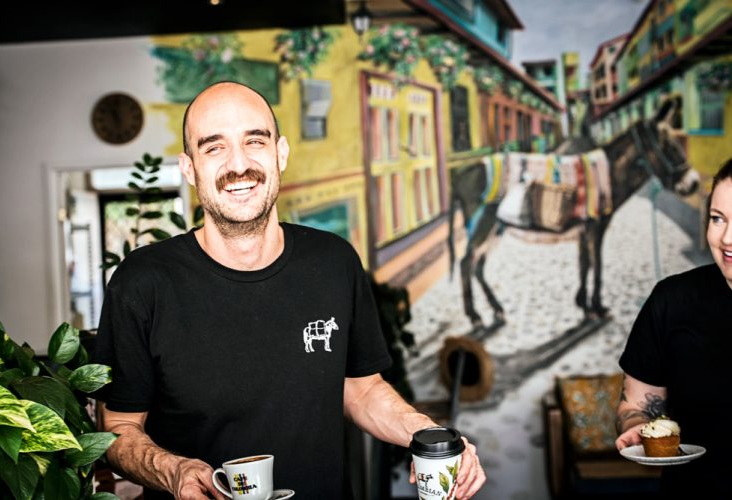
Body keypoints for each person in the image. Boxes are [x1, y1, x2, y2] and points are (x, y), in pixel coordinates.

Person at [94, 81, 486, 499]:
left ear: (280, 153)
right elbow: (117, 427)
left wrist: (428, 434)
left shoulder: (334, 262)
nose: (238, 164)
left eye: (254, 141)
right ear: (189, 169)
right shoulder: (143, 282)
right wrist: (174, 471)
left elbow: (362, 389)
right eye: (214, 147)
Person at [615, 158, 732, 495]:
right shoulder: (672, 300)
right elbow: (636, 403)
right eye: (718, 219)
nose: (727, 238)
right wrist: (637, 426)